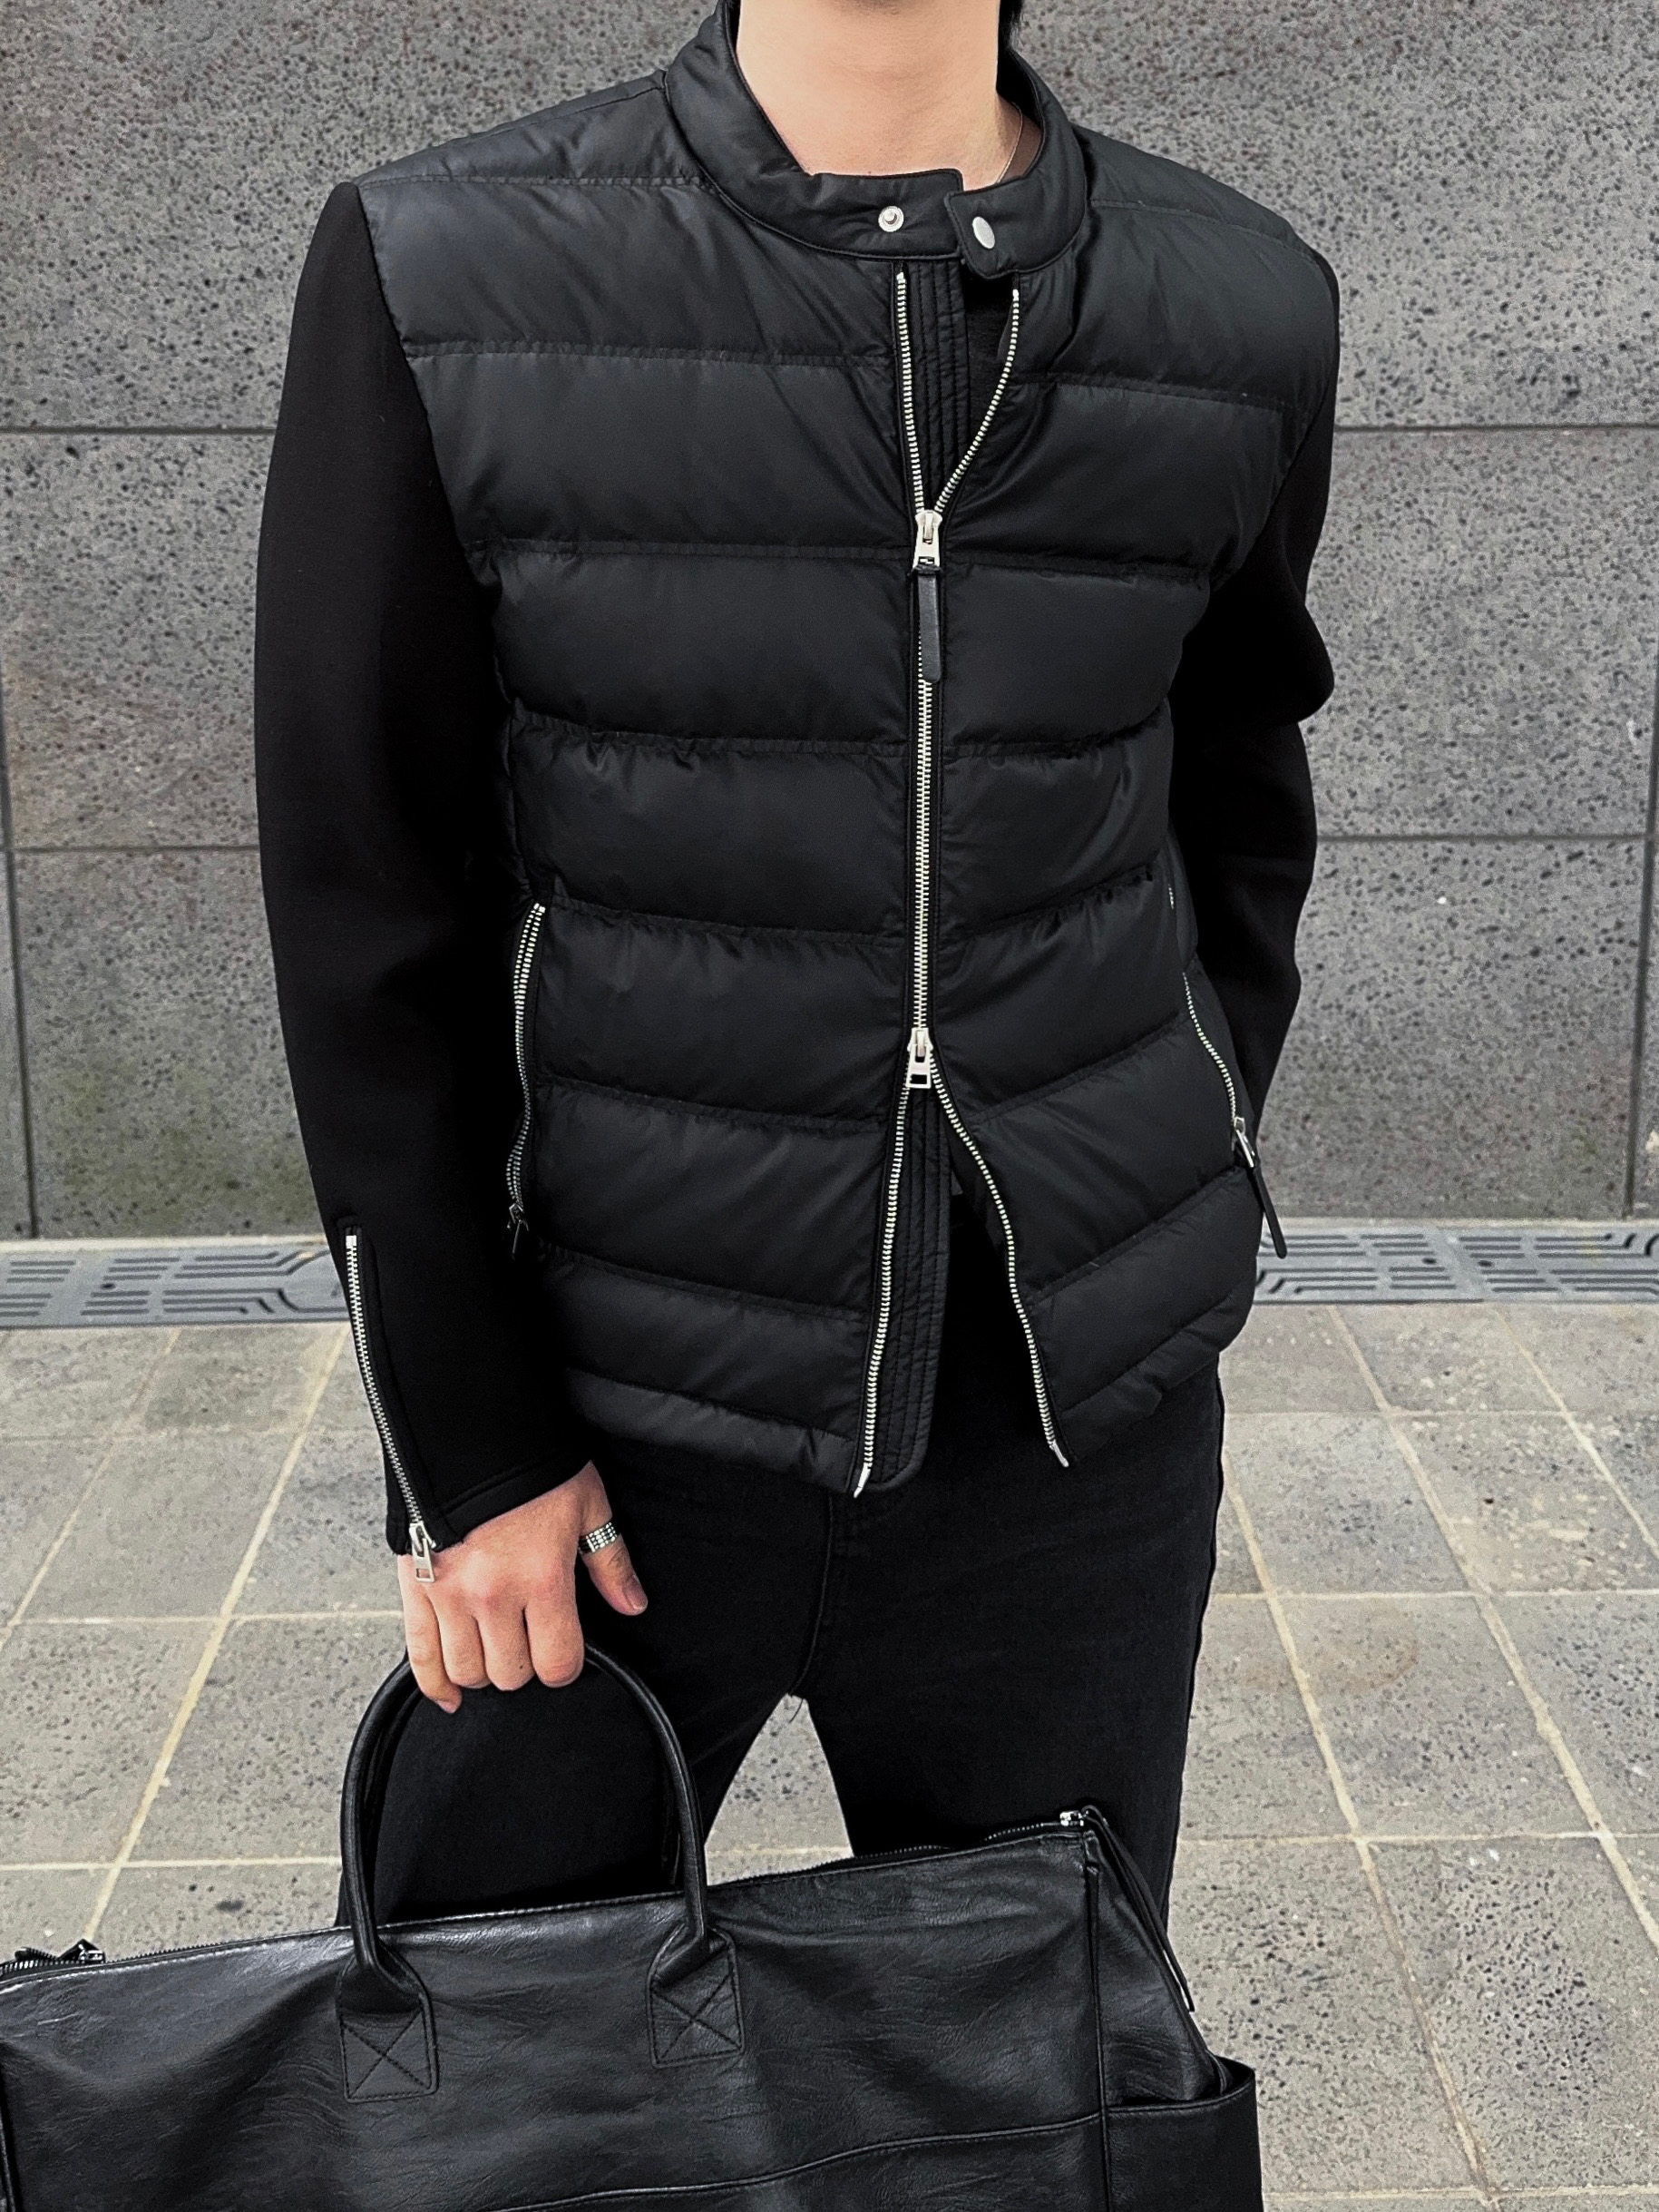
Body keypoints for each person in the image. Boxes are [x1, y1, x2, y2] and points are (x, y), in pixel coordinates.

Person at [255, 0, 1337, 1922]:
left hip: (1064, 1434)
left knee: (1033, 2055)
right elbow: (369, 894)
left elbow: (1235, 792)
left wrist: (1174, 1137)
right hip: (612, 1423)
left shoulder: (1239, 301)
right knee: (476, 2042)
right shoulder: (449, 264)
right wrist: (469, 1447)